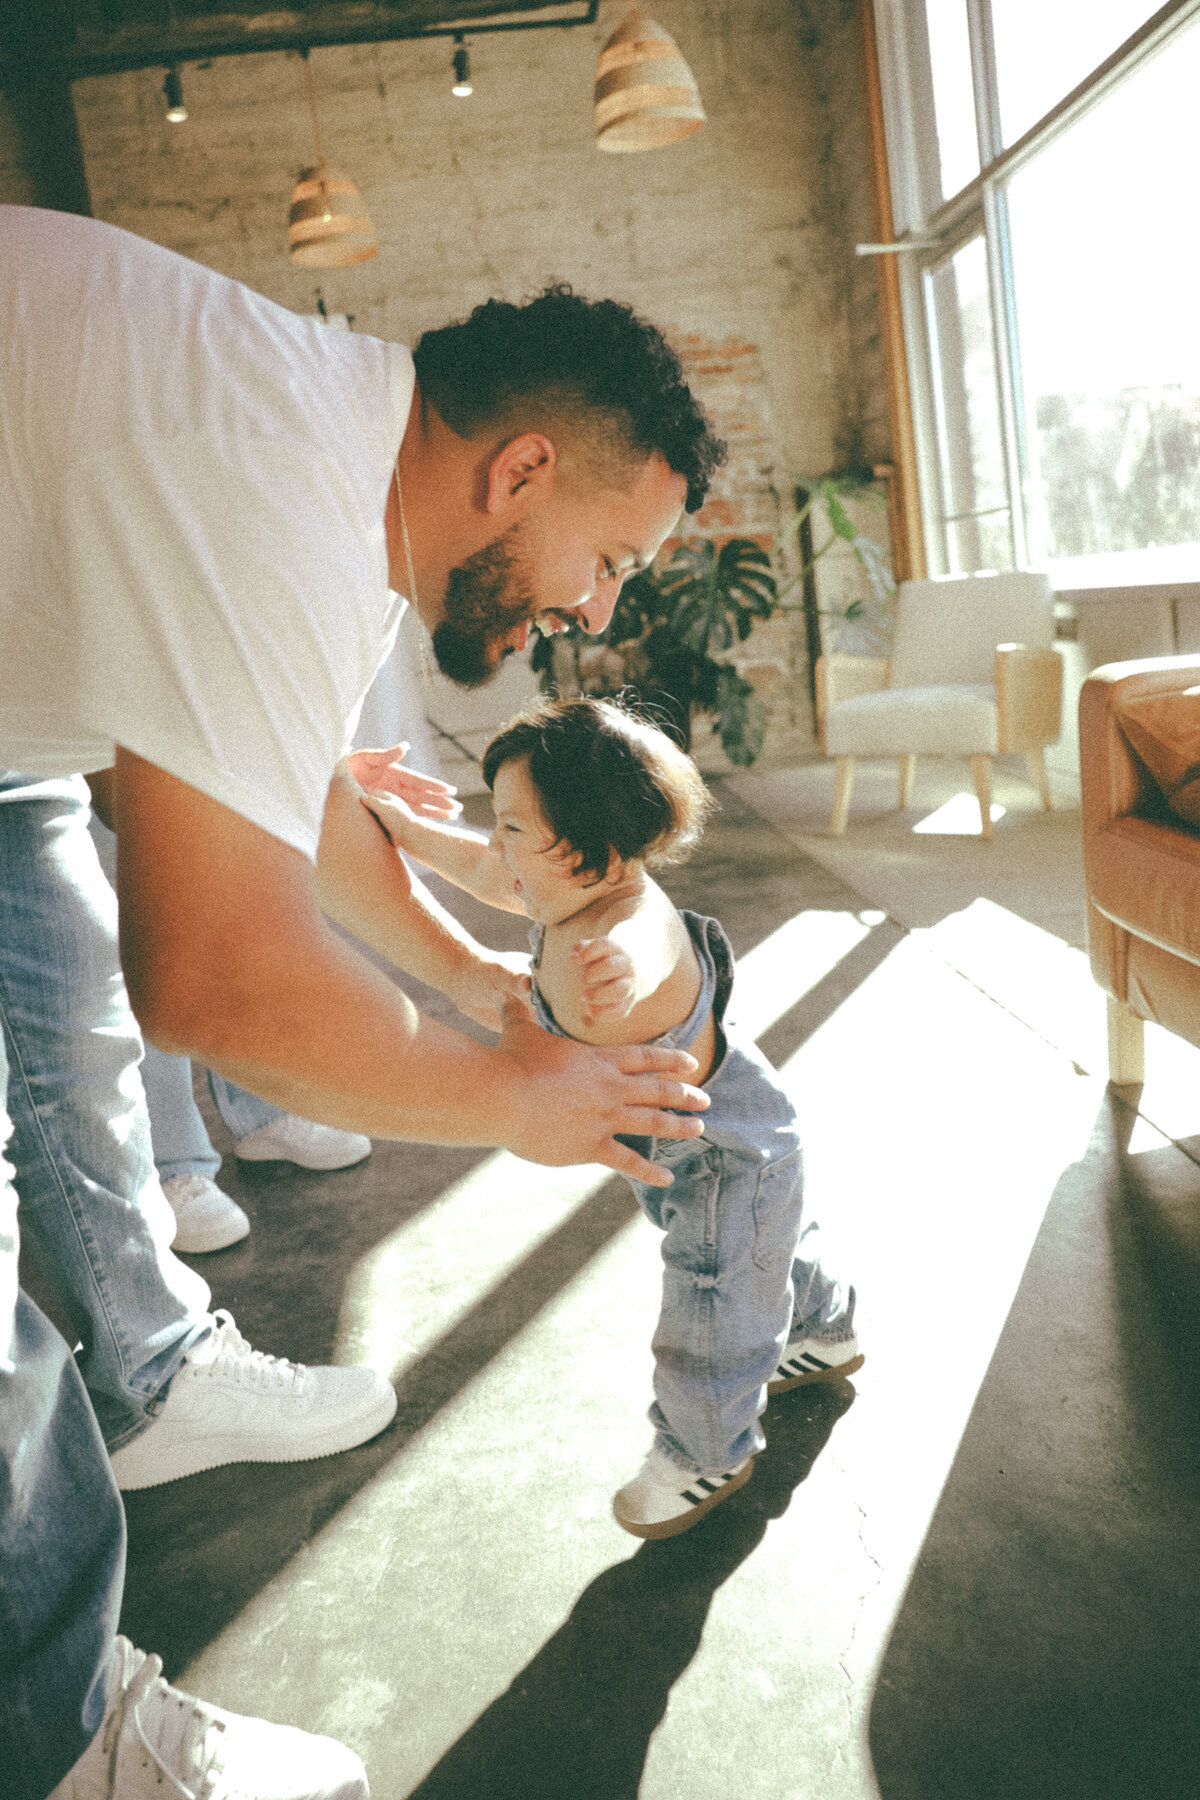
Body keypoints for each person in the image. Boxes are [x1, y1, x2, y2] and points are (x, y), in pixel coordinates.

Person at [2, 206, 724, 1798]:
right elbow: (212, 971)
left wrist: (480, 983)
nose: (596, 617)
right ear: (521, 470)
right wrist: (519, 1101)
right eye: (608, 561)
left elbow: (308, 815)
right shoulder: (261, 474)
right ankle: (62, 1748)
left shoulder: (319, 469)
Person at [364, 698, 864, 1541]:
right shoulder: (561, 884)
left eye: (515, 827)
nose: (498, 845)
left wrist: (619, 977)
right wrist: (399, 828)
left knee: (714, 1288)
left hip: (723, 1155)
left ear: (592, 845)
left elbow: (650, 941)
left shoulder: (621, 920)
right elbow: (487, 873)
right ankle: (824, 1329)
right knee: (765, 1248)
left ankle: (706, 1452)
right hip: (721, 1131)